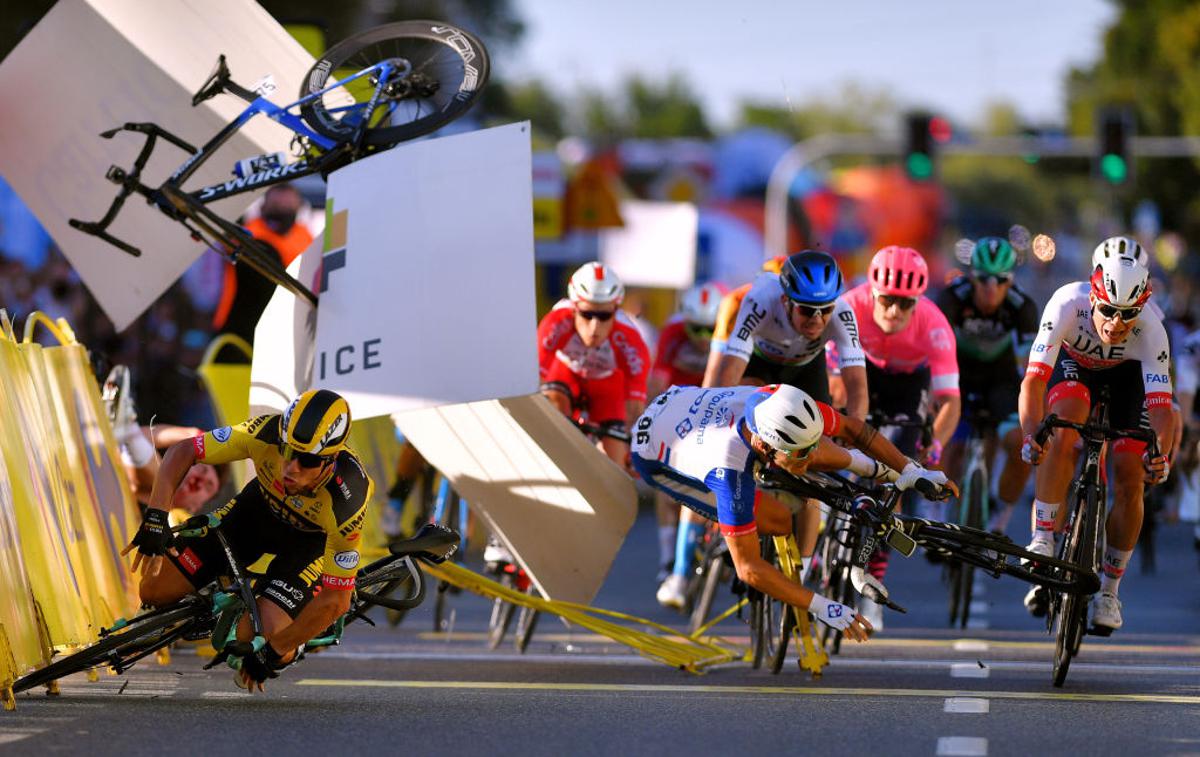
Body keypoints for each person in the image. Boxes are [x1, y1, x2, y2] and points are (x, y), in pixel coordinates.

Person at [634, 383, 954, 637]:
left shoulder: (778, 400)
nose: (811, 458)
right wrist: (822, 607)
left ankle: (870, 467)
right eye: (801, 454)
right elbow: (749, 568)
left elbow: (854, 430)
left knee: (808, 454)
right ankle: (716, 545)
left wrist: (912, 471)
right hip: (652, 453)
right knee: (779, 518)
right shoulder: (727, 473)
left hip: (681, 402)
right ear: (765, 447)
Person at [659, 251, 868, 609]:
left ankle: (798, 576)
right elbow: (723, 374)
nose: (817, 320)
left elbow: (857, 389)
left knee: (813, 472)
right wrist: (710, 428)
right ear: (786, 300)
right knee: (713, 460)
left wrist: (852, 439)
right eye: (806, 310)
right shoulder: (753, 301)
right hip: (757, 366)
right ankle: (679, 574)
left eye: (825, 310)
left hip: (805, 370)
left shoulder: (843, 313)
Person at [125, 388, 371, 691]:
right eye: (287, 450)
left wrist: (275, 651)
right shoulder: (264, 432)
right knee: (153, 589)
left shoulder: (348, 501)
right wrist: (156, 515)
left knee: (254, 640)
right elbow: (184, 450)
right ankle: (217, 583)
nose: (290, 467)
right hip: (256, 514)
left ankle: (293, 639)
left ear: (329, 461)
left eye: (306, 460)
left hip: (309, 544)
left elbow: (336, 601)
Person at [1018, 241, 1174, 632]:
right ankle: (1043, 537)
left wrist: (1162, 455)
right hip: (1075, 367)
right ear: (1093, 296)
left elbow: (1161, 408)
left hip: (1128, 381)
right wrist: (1029, 433)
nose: (1116, 323)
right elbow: (1034, 380)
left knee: (1130, 472)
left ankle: (1109, 591)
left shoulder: (1153, 327)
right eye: (1108, 310)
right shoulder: (1066, 304)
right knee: (1064, 427)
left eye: (1128, 315)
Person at [841, 245, 961, 630]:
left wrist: (935, 446)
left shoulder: (934, 324)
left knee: (893, 474)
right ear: (872, 293)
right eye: (887, 300)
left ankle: (873, 580)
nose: (894, 311)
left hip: (908, 384)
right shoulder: (849, 307)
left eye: (904, 304)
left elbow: (949, 402)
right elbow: (829, 377)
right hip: (860, 372)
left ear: (918, 302)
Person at [935, 237, 1039, 533]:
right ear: (972, 276)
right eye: (983, 279)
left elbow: (1031, 366)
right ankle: (937, 510)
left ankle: (999, 521)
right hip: (959, 374)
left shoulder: (1022, 307)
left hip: (1002, 378)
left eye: (1000, 280)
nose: (991, 288)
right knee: (947, 445)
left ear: (1011, 281)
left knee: (1020, 446)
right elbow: (935, 349)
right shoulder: (953, 298)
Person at [647, 282, 726, 582]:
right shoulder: (673, 333)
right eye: (697, 329)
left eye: (711, 330)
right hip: (679, 400)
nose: (704, 338)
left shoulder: (729, 331)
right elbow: (658, 382)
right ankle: (668, 558)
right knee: (666, 485)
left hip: (714, 400)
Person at [537, 261, 650, 469]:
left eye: (604, 316)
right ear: (574, 307)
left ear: (616, 310)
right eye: (587, 314)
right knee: (553, 405)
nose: (594, 326)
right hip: (565, 374)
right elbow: (533, 384)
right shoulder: (556, 322)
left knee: (614, 461)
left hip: (605, 385)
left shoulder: (630, 340)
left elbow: (635, 409)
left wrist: (630, 450)